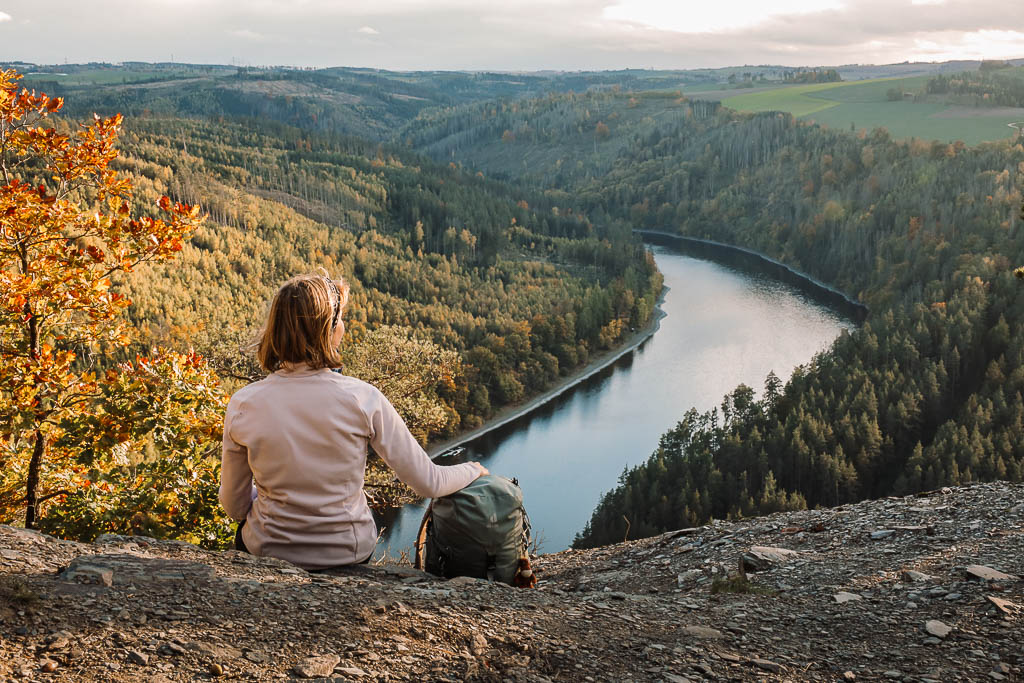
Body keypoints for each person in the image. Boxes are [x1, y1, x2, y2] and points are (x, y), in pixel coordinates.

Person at [219, 272, 487, 570]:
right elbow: (429, 482)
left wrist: (270, 498)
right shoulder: (363, 398)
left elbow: (234, 506)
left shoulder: (244, 403)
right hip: (348, 551)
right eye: (340, 320)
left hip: (267, 550)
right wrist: (474, 470)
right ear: (330, 330)